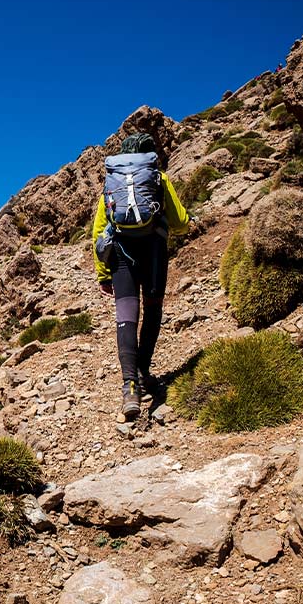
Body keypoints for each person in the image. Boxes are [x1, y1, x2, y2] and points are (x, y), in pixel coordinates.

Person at [91, 133, 190, 420]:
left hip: (122, 256)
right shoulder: (159, 178)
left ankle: (129, 387)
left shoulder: (112, 184)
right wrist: (186, 223)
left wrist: (102, 273)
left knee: (126, 317)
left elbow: (99, 232)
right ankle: (144, 369)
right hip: (155, 251)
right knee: (153, 310)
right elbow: (180, 221)